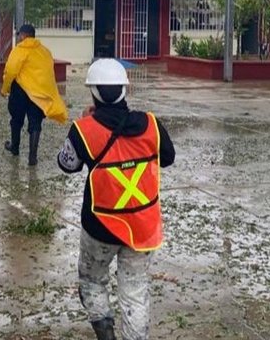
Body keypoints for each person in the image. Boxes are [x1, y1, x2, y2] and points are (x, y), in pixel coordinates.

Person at [57, 58, 175, 340]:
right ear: (125, 89)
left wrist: (87, 122)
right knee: (136, 291)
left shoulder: (84, 130)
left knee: (92, 280)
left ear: (93, 92)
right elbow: (168, 158)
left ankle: (105, 331)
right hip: (143, 226)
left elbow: (66, 163)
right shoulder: (150, 124)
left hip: (100, 226)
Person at [1, 24, 68, 165]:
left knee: (16, 120)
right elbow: (49, 73)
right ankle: (32, 157)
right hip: (38, 94)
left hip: (20, 90)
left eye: (20, 35)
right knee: (35, 122)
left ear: (23, 35)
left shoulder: (19, 50)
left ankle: (15, 147)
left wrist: (5, 88)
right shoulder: (45, 52)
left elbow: (11, 71)